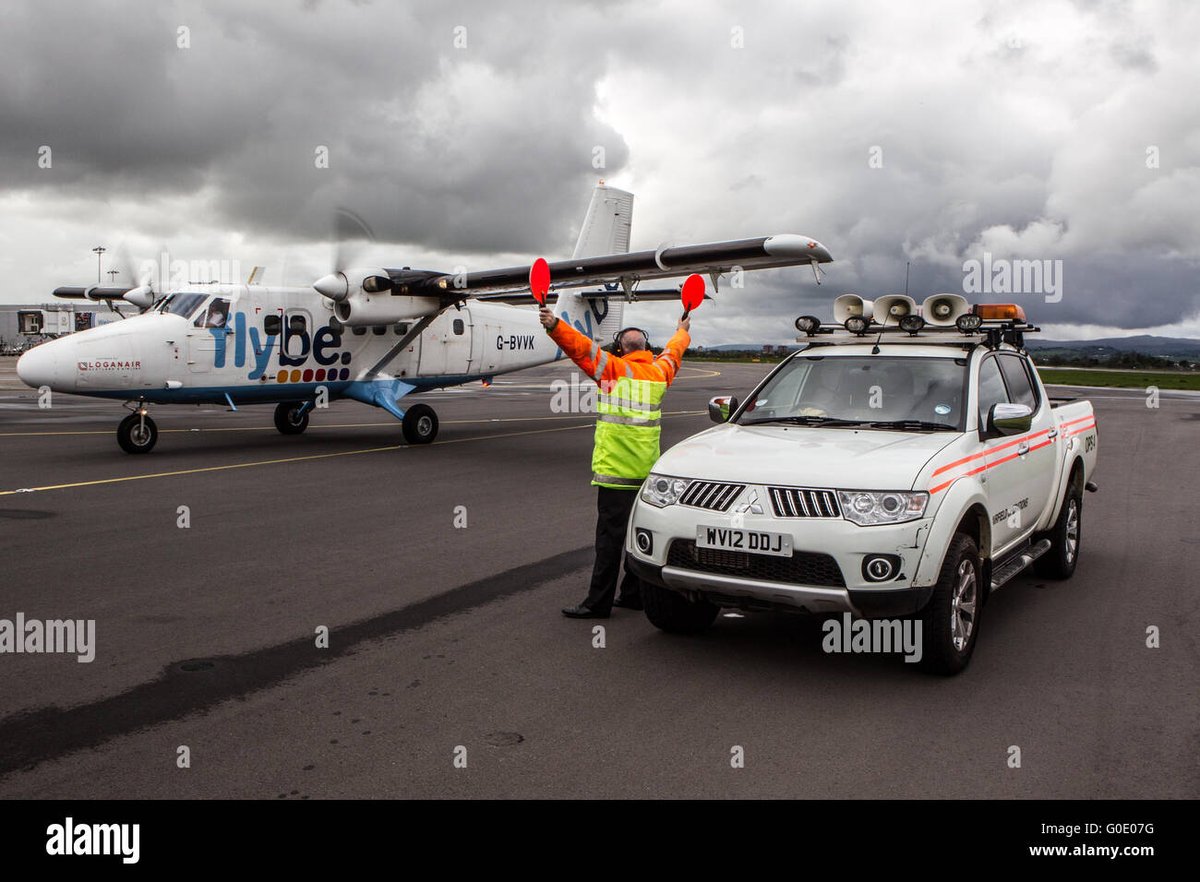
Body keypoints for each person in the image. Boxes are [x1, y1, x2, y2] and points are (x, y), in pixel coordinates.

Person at [538, 306, 691, 619]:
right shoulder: (660, 372)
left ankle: (598, 603)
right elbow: (675, 351)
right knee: (638, 537)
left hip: (615, 475)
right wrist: (683, 329)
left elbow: (579, 346)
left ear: (621, 347)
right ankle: (632, 594)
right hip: (647, 474)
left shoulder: (611, 369)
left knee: (609, 541)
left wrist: (554, 324)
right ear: (646, 348)